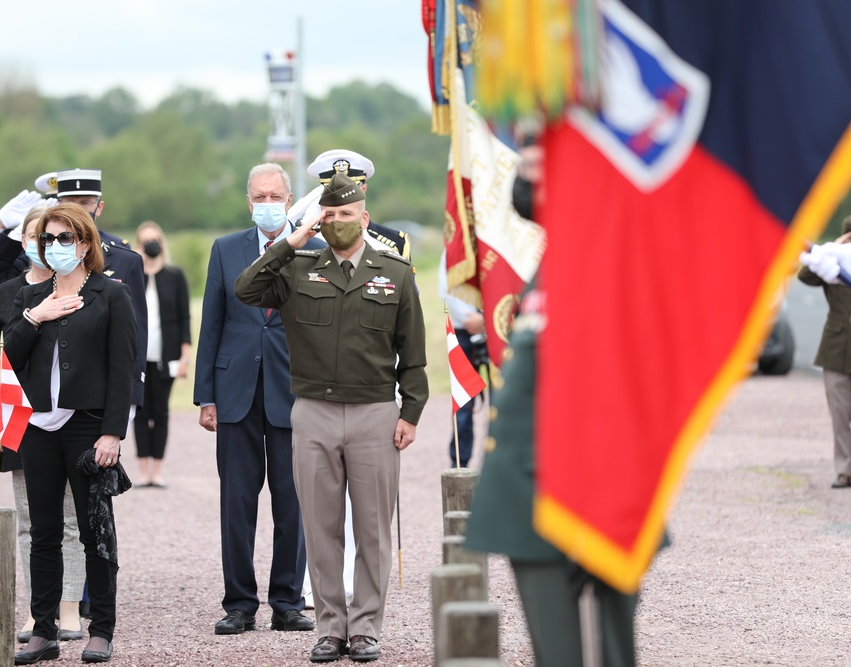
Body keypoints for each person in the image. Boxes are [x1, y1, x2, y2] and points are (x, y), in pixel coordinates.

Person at [466, 150, 653, 666]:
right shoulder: (555, 259)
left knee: (607, 653)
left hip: (594, 491)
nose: (528, 158)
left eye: (546, 151)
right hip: (531, 494)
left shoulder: (617, 252)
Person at [235, 172, 428, 663]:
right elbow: (246, 288)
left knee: (372, 530)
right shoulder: (298, 268)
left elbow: (413, 353)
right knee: (320, 529)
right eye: (331, 215)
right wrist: (292, 240)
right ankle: (329, 628)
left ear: (364, 217)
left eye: (348, 214)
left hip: (375, 414)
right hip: (314, 413)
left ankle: (365, 628)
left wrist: (411, 411)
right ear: (321, 220)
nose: (340, 222)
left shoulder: (396, 273)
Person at [6, 203, 136, 665]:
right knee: (43, 533)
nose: (55, 247)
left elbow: (124, 370)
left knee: (94, 531)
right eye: (48, 239)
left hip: (87, 427)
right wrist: (35, 317)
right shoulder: (30, 297)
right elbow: (12, 358)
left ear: (84, 243)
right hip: (38, 428)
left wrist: (113, 433)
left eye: (64, 238)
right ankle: (43, 631)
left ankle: (101, 628)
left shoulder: (110, 295)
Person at [194, 163, 319, 636]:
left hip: (294, 392)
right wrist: (206, 395)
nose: (268, 202)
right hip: (235, 393)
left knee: (293, 502)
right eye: (259, 196)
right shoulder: (226, 250)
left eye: (275, 195)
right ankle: (240, 604)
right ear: (249, 202)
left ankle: (287, 601)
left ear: (290, 199)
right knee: (237, 503)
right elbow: (212, 322)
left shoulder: (312, 248)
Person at [0, 205, 86, 643]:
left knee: (73, 520)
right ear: (27, 243)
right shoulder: (5, 294)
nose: (49, 246)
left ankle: (71, 607)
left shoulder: (82, 289)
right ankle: (37, 609)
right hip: (20, 419)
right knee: (28, 521)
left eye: (56, 237)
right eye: (39, 237)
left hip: (71, 419)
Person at [0, 168, 148, 410]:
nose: (76, 210)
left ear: (99, 207)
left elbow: (133, 336)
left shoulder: (121, 257)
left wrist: (131, 398)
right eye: (69, 203)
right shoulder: (45, 252)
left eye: (85, 203)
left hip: (95, 393)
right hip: (41, 394)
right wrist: (4, 227)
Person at [134, 220, 191, 488]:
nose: (151, 244)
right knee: (141, 412)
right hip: (138, 358)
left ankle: (158, 470)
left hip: (166, 357)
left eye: (154, 239)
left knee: (161, 412)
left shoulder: (174, 275)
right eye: (145, 241)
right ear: (138, 245)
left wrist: (184, 357)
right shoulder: (133, 277)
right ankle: (143, 470)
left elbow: (184, 318)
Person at [797, 215, 851, 488]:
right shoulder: (835, 264)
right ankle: (844, 470)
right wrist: (832, 249)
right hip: (837, 350)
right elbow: (805, 276)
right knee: (840, 413)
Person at [438, 250, 488, 467]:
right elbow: (445, 285)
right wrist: (473, 320)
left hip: (499, 329)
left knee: (504, 401)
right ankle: (460, 463)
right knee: (463, 402)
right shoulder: (456, 242)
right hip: (464, 330)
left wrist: (486, 319)